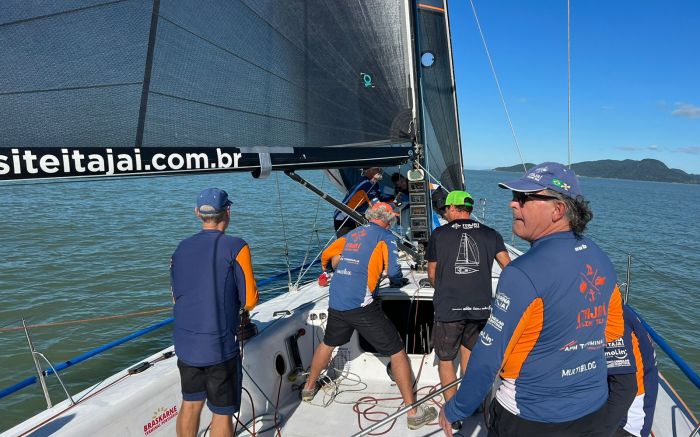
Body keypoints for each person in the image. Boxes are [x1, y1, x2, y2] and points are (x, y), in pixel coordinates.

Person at [439, 162, 625, 437]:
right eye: (514, 197)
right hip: (592, 410)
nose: (512, 205)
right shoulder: (601, 258)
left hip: (528, 416)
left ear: (558, 210)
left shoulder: (522, 274)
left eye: (523, 198)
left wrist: (456, 408)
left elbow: (488, 357)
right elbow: (612, 333)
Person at [303, 202, 437, 430]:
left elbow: (327, 257)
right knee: (397, 351)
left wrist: (338, 266)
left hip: (337, 299)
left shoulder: (352, 233)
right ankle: (413, 412)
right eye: (393, 217)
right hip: (361, 303)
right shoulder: (386, 237)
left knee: (329, 342)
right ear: (388, 219)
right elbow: (394, 271)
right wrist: (397, 281)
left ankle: (308, 388)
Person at [171, 188, 259, 437]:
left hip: (185, 344)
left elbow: (175, 296)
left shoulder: (181, 248)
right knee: (221, 413)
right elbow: (249, 299)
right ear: (228, 212)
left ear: (197, 213)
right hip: (218, 346)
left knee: (190, 403)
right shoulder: (236, 246)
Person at [426, 190, 510, 403]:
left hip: (449, 308)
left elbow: (432, 273)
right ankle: (469, 403)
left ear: (454, 208)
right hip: (480, 308)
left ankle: (454, 411)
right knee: (469, 353)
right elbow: (509, 267)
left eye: (446, 208)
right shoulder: (491, 233)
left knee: (445, 360)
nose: (445, 213)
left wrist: (442, 288)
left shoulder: (439, 234)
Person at [604, 304, 658, 437]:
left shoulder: (613, 320)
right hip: (623, 408)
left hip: (628, 424)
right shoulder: (619, 310)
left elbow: (625, 390)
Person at [334, 167, 391, 237]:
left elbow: (380, 200)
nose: (380, 170)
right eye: (377, 169)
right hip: (344, 218)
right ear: (370, 170)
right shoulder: (366, 184)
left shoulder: (374, 184)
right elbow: (376, 205)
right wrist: (393, 205)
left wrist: (394, 198)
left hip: (355, 217)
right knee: (346, 245)